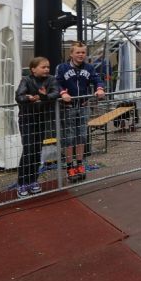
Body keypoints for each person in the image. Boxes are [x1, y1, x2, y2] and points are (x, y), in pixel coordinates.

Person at [56, 42, 105, 182]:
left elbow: (97, 79)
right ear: (71, 53)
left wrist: (100, 88)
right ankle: (69, 167)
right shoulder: (62, 67)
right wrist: (63, 92)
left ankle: (79, 164)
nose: (81, 55)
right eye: (78, 52)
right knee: (69, 138)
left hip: (83, 106)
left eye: (83, 52)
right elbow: (56, 82)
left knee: (82, 136)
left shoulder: (89, 67)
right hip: (68, 107)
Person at [15, 57, 59, 198]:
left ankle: (33, 180)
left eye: (48, 67)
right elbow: (19, 96)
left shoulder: (51, 79)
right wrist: (28, 98)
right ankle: (22, 183)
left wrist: (42, 97)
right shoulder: (26, 80)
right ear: (33, 69)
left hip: (41, 119)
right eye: (43, 67)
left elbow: (55, 93)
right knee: (28, 150)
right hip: (27, 120)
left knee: (37, 150)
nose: (46, 69)